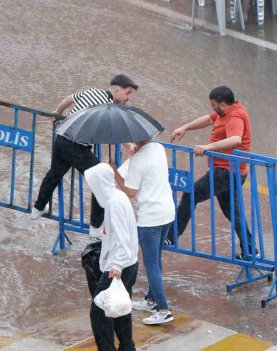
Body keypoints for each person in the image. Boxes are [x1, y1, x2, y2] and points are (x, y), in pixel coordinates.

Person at [31, 75, 139, 237]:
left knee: (54, 174)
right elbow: (113, 133)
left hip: (61, 137)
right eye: (128, 93)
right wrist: (130, 145)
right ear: (117, 91)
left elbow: (69, 99)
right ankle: (96, 226)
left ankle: (38, 209)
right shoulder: (108, 107)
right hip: (77, 147)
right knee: (102, 179)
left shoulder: (91, 91)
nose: (129, 98)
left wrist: (58, 112)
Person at [168, 86, 256, 260]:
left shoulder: (235, 116)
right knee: (233, 212)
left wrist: (207, 147)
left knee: (190, 195)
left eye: (214, 105)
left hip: (226, 171)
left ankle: (171, 237)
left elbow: (235, 139)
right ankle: (250, 251)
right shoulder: (227, 111)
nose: (212, 109)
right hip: (232, 171)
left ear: (223, 104)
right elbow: (208, 120)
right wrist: (185, 127)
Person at [111, 139, 175, 325]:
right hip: (167, 212)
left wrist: (115, 170)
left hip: (151, 218)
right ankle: (151, 299)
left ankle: (163, 310)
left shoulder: (138, 160)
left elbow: (130, 191)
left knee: (151, 263)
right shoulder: (159, 148)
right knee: (156, 258)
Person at [84, 163, 139, 351]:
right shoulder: (118, 197)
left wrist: (116, 264)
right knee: (121, 311)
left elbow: (122, 238)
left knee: (98, 313)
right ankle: (127, 346)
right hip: (130, 263)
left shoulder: (114, 204)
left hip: (117, 268)